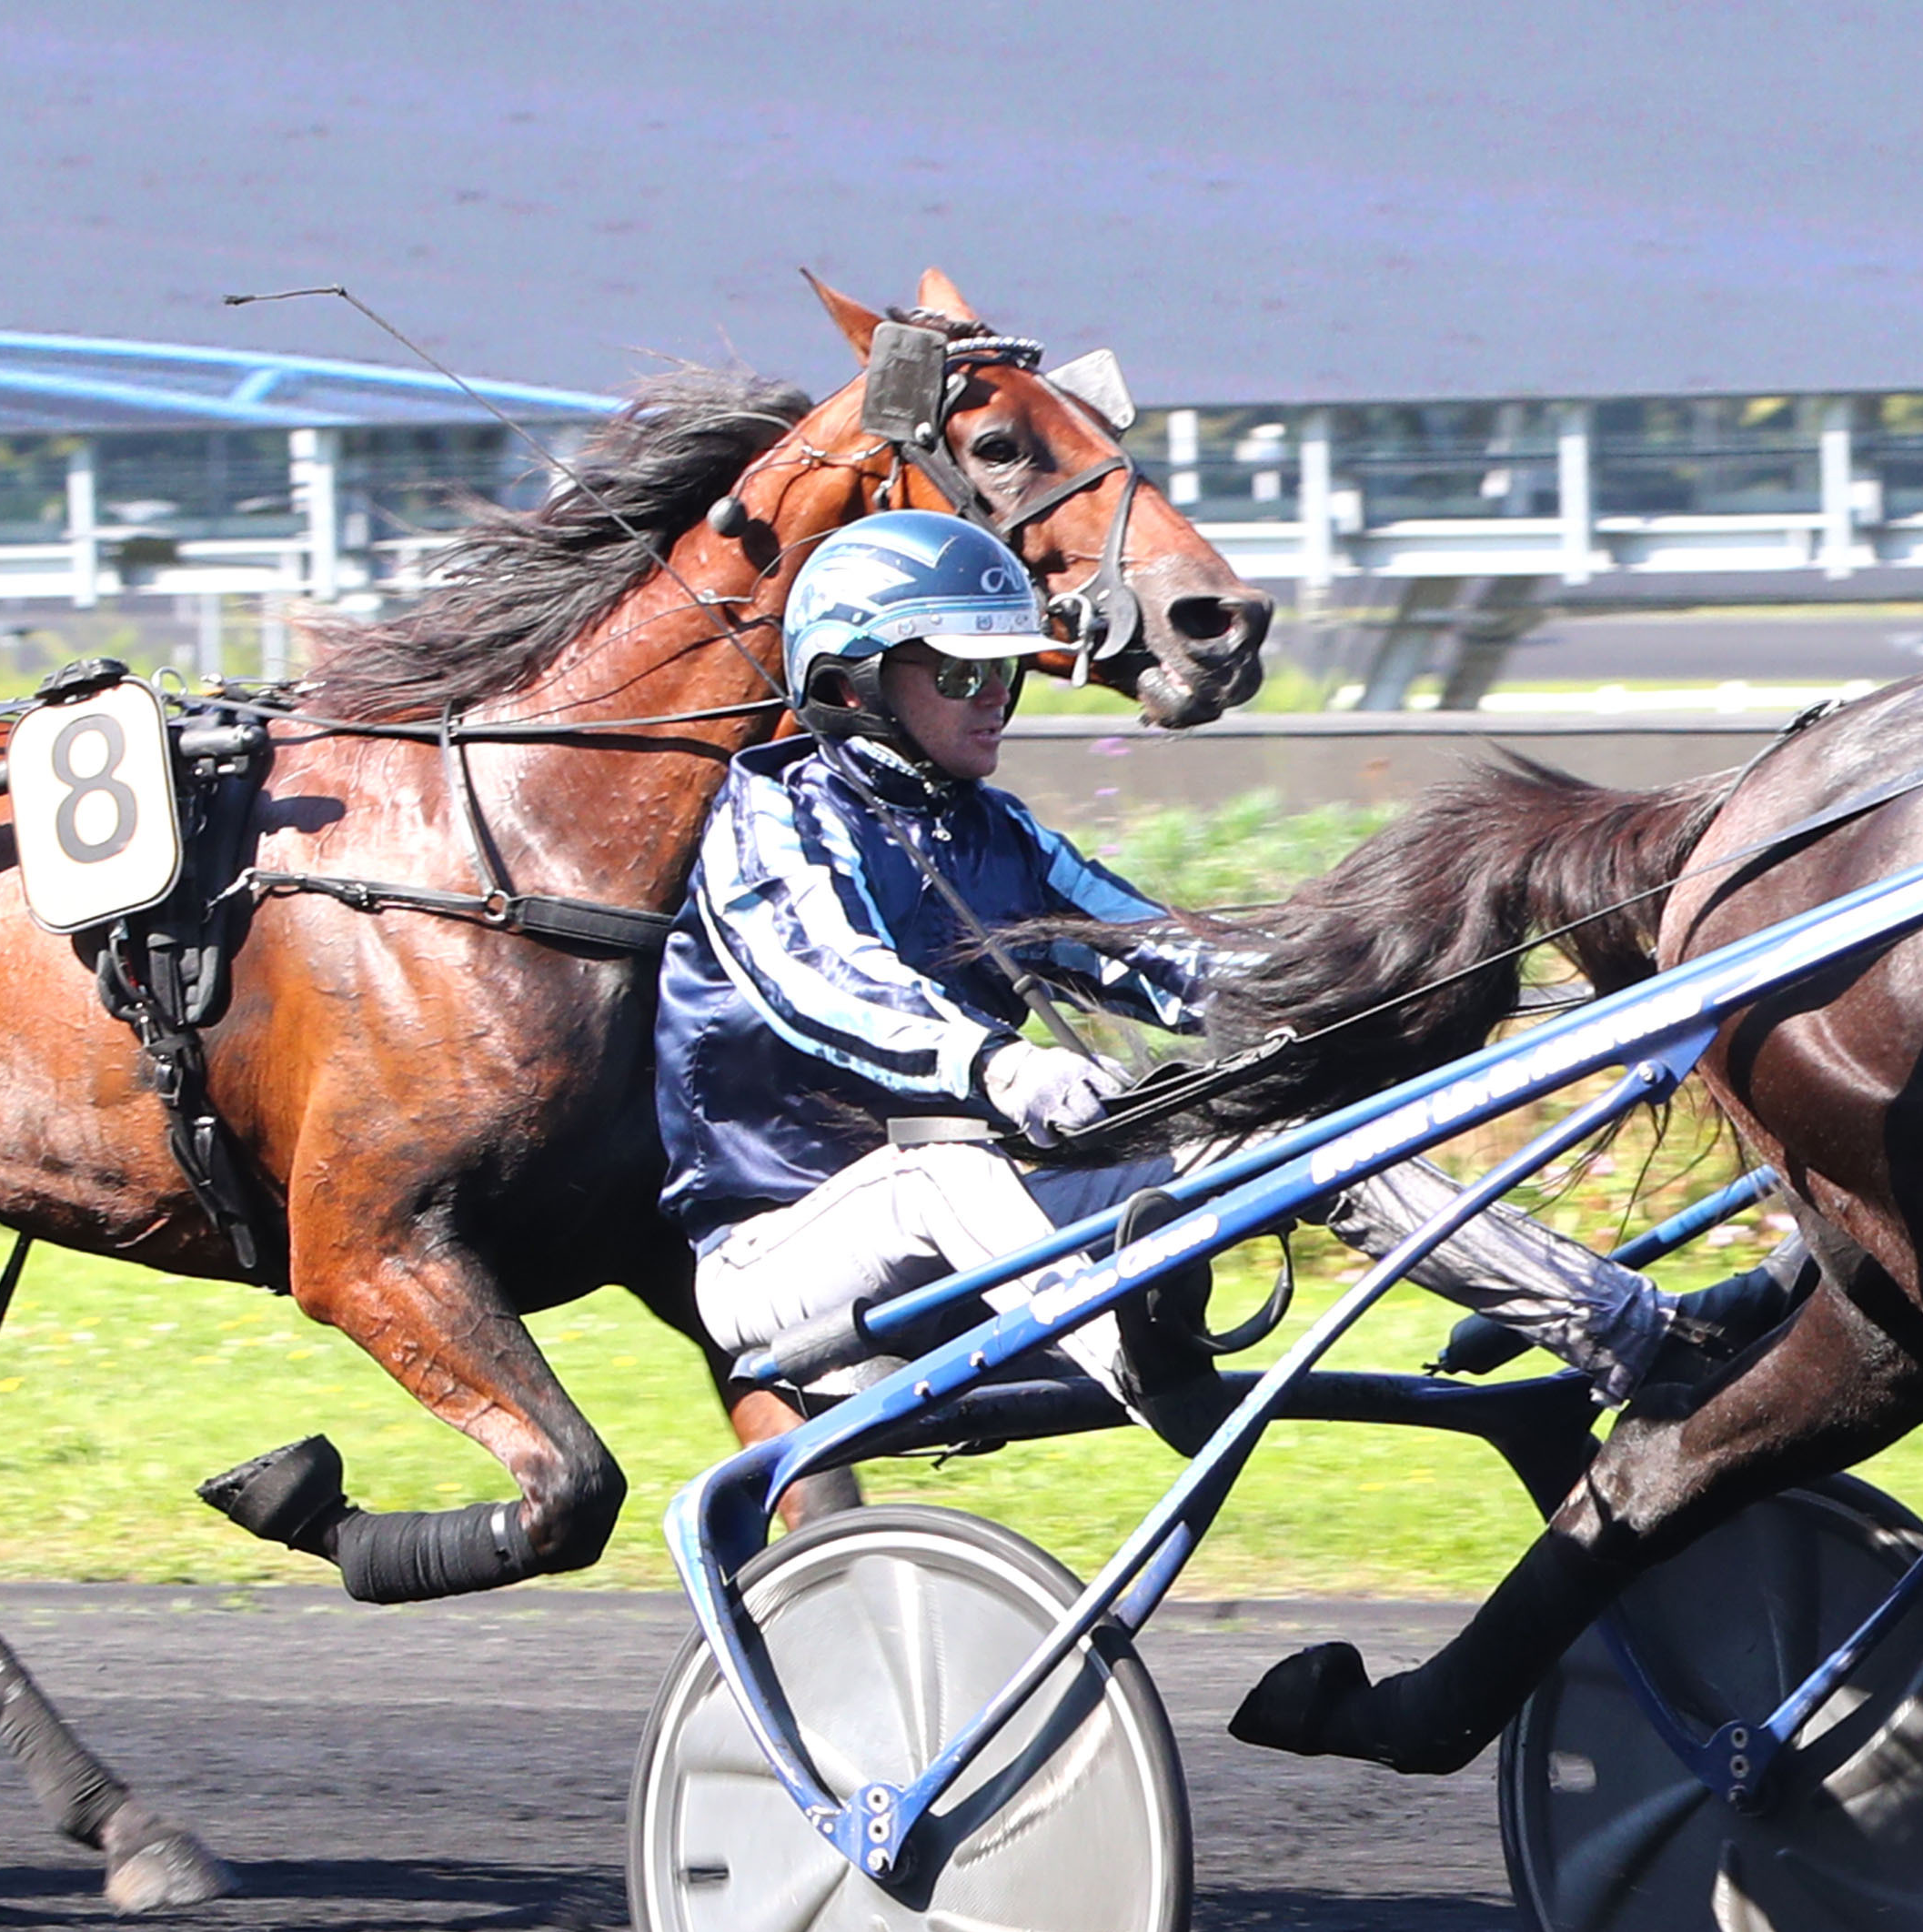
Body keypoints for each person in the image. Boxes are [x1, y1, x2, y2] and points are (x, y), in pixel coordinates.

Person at [660, 511, 1698, 1421]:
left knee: (1283, 1130)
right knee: (946, 1168)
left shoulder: (996, 834)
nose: (995, 699)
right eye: (960, 672)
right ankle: (1140, 1363)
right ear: (850, 683)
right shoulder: (771, 818)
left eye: (1006, 670)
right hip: (779, 1255)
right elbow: (830, 981)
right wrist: (1002, 1068)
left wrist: (1358, 1011)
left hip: (986, 1232)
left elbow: (1160, 952)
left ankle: (1631, 1333)